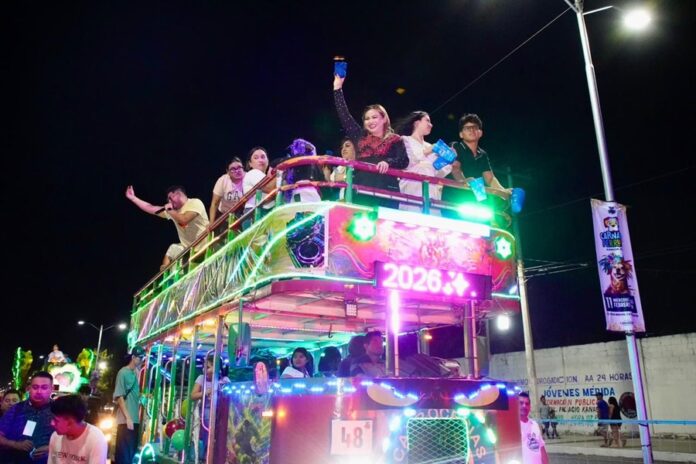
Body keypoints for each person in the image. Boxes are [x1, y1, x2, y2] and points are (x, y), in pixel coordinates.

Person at [333, 73, 409, 208]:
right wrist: (337, 88)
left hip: (387, 191)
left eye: (374, 117)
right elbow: (344, 116)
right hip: (361, 190)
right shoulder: (360, 137)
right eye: (367, 119)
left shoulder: (395, 139)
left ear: (384, 119)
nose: (370, 121)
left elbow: (404, 160)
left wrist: (388, 162)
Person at [125, 185, 210, 270]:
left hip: (207, 245)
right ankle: (166, 270)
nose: (169, 201)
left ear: (178, 194)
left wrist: (170, 210)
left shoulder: (195, 203)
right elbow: (151, 208)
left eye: (170, 198)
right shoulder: (173, 211)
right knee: (173, 249)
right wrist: (133, 198)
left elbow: (184, 220)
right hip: (191, 251)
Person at [441, 114, 509, 217]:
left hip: (475, 204)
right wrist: (463, 181)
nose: (471, 130)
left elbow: (490, 178)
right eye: (467, 128)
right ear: (461, 134)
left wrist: (503, 191)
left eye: (475, 127)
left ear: (480, 133)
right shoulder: (456, 146)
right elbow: (455, 168)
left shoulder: (483, 154)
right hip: (454, 200)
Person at [396, 111, 451, 214]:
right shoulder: (404, 140)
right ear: (417, 123)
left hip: (431, 191)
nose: (431, 124)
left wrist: (448, 160)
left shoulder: (429, 145)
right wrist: (428, 151)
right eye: (427, 121)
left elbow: (438, 172)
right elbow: (408, 161)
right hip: (413, 188)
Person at [0, 371, 55, 464]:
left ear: (52, 389)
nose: (39, 391)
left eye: (44, 387)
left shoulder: (60, 410)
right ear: (29, 388)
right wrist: (15, 444)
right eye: (35, 387)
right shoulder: (16, 409)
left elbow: (73, 437)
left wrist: (51, 448)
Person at [190, 355, 230, 461]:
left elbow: (230, 395)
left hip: (221, 410)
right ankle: (207, 454)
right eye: (204, 367)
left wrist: (221, 391)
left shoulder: (224, 380)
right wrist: (206, 392)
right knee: (208, 430)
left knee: (222, 430)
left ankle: (219, 454)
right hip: (207, 408)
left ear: (216, 368)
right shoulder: (201, 378)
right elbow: (193, 395)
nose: (205, 369)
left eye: (208, 367)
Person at [47, 394, 107, 463]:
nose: (52, 423)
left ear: (70, 422)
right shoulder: (55, 436)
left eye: (56, 421)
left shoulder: (96, 438)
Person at [113, 346, 145, 464]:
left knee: (130, 454)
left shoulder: (135, 373)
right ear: (133, 357)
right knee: (124, 456)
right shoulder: (123, 372)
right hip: (126, 421)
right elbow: (119, 396)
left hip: (134, 419)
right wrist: (128, 418)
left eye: (142, 358)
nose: (141, 360)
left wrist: (141, 398)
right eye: (140, 357)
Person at [209, 157, 246, 225]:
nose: (237, 171)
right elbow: (214, 203)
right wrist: (211, 223)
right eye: (233, 169)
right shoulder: (223, 180)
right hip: (224, 214)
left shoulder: (248, 177)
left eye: (239, 167)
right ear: (227, 171)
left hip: (243, 213)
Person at [518, 391, 549, 464]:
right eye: (521, 403)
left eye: (527, 404)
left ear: (530, 406)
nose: (524, 406)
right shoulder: (513, 426)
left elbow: (541, 448)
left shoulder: (534, 424)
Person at [242, 147, 275, 215]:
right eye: (256, 158)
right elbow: (269, 188)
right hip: (254, 213)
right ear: (250, 164)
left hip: (265, 211)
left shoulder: (265, 176)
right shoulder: (253, 173)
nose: (260, 160)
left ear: (268, 160)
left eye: (263, 157)